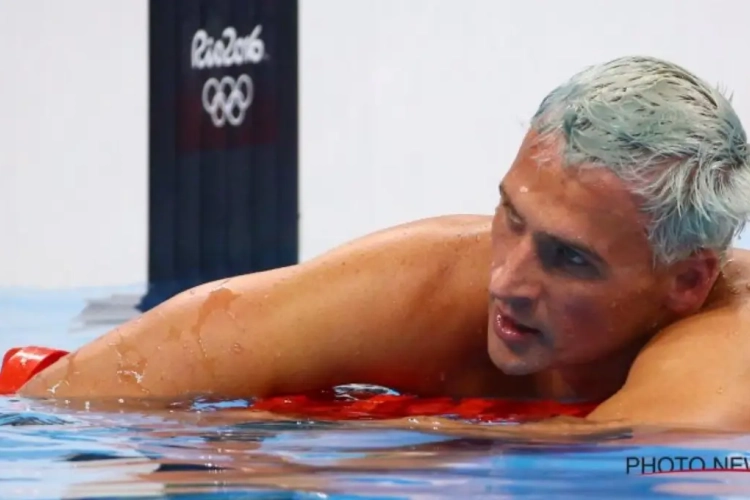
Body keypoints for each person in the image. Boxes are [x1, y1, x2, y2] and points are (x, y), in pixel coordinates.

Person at [18, 56, 750, 434]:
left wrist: (372, 434)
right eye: (511, 216)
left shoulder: (728, 344)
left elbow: (649, 458)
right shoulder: (429, 283)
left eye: (570, 258)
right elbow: (77, 397)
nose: (506, 281)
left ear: (686, 281)